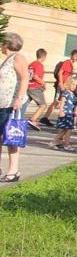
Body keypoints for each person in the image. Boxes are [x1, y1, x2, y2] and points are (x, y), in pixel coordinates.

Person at [0, 33, 30, 182]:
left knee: (11, 136)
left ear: (6, 44)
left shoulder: (18, 57)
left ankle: (13, 171)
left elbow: (25, 77)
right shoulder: (6, 60)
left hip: (11, 105)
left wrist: (18, 99)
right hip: (3, 103)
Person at [52, 49, 77, 124]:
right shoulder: (67, 63)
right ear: (71, 55)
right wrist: (61, 83)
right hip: (63, 84)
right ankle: (59, 119)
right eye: (75, 56)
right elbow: (60, 73)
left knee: (58, 101)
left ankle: (46, 117)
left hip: (65, 84)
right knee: (59, 101)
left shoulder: (71, 65)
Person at [53, 75, 77, 150]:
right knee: (64, 131)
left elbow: (74, 102)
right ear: (68, 83)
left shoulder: (72, 94)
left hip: (70, 114)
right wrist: (61, 111)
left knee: (67, 130)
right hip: (65, 113)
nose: (74, 86)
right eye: (73, 84)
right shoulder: (66, 93)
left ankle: (63, 143)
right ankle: (62, 144)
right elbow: (62, 102)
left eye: (76, 85)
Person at [25, 48, 48, 128]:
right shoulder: (39, 65)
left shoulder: (31, 64)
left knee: (24, 104)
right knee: (43, 105)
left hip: (28, 86)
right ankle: (32, 120)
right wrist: (43, 83)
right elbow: (35, 76)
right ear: (44, 56)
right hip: (35, 87)